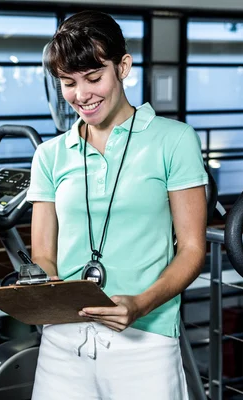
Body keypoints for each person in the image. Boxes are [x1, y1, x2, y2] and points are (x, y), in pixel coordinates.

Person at [27, 10, 208, 400]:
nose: (82, 95)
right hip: (62, 340)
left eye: (94, 78)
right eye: (68, 83)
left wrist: (141, 304)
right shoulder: (49, 155)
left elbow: (192, 249)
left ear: (123, 67)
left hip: (146, 339)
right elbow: (44, 254)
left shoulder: (174, 140)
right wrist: (31, 288)